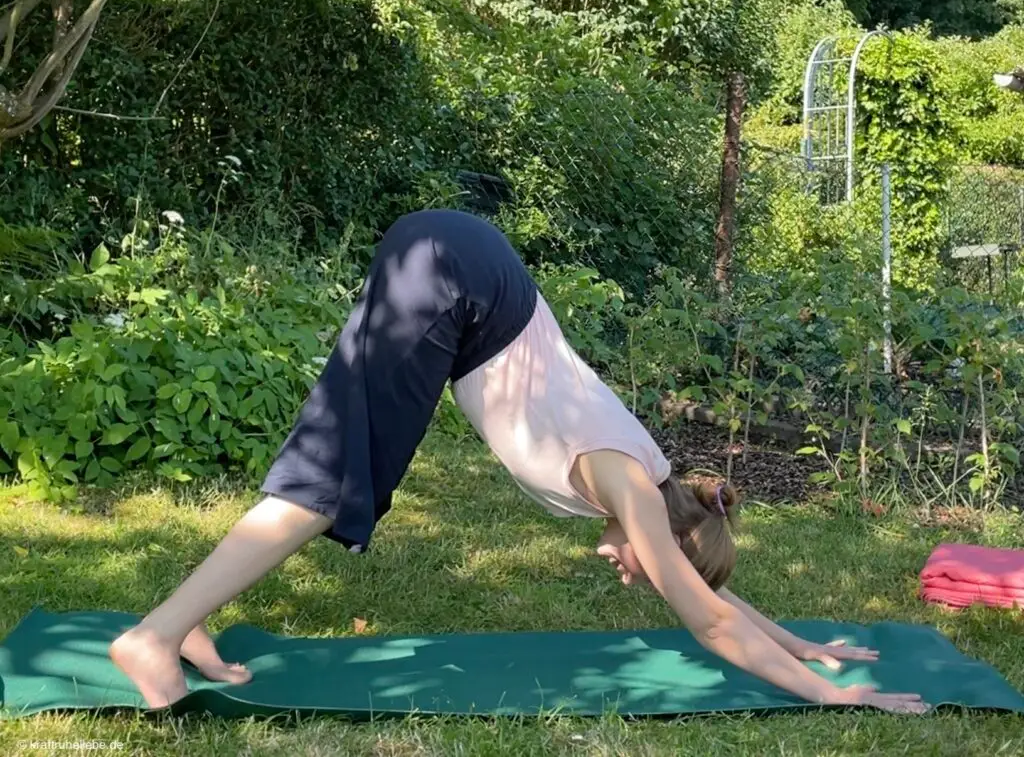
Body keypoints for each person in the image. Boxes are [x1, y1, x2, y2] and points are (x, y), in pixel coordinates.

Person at [110, 209, 927, 714]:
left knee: (335, 468)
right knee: (330, 483)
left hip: (461, 266)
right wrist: (834, 692)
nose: (630, 574)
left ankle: (187, 617)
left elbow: (711, 590)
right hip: (459, 279)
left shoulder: (654, 482)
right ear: (664, 539)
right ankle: (153, 634)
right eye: (646, 569)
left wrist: (808, 646)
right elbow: (706, 615)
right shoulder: (634, 485)